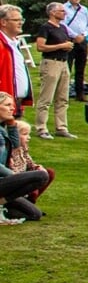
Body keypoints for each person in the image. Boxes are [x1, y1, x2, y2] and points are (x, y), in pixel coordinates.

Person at [0, 91, 52, 223]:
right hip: (3, 179)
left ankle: (2, 204)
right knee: (41, 176)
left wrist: (11, 124)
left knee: (35, 214)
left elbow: (16, 146)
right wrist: (13, 176)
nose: (12, 108)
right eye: (7, 105)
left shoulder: (2, 128)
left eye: (12, 105)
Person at [32, 0, 77, 139]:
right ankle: (41, 127)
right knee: (46, 97)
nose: (65, 13)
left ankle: (61, 127)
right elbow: (40, 47)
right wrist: (60, 46)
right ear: (52, 12)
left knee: (63, 98)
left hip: (64, 63)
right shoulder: (46, 28)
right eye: (62, 11)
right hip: (51, 63)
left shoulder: (62, 28)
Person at [62, 0, 88, 99]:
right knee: (67, 67)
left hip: (82, 40)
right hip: (70, 40)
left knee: (81, 68)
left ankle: (80, 92)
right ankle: (64, 92)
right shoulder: (63, 8)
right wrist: (74, 35)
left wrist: (84, 34)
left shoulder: (84, 9)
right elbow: (63, 24)